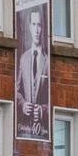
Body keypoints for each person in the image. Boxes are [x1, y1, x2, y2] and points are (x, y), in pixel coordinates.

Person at [16, 8, 50, 138]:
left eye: (39, 25)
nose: (36, 30)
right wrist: (23, 103)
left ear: (42, 28)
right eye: (34, 24)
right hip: (24, 127)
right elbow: (17, 90)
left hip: (43, 129)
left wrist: (42, 110)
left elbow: (52, 95)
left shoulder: (47, 61)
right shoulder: (23, 59)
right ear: (30, 27)